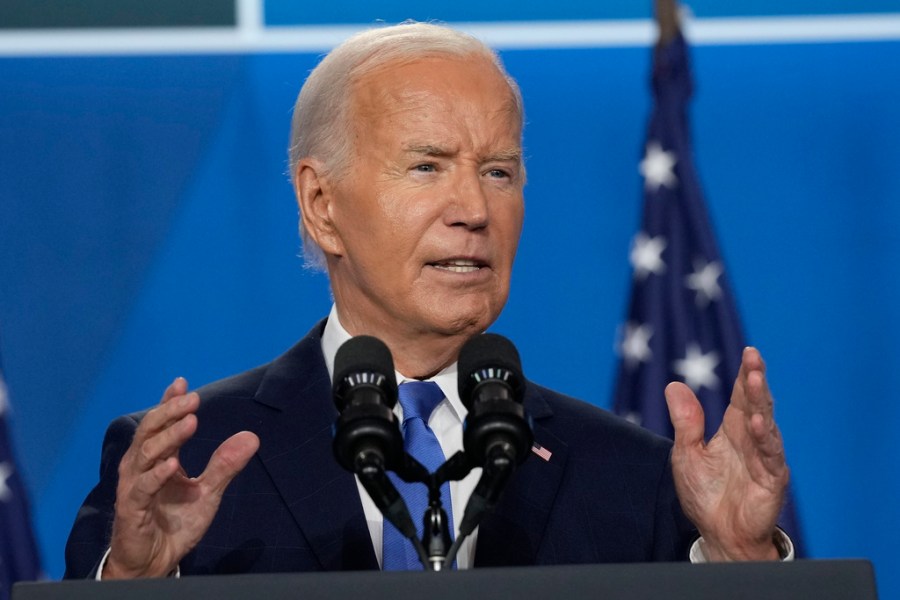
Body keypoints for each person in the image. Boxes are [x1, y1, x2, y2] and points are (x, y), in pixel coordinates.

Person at [64, 22, 790, 579]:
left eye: (499, 171)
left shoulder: (633, 477)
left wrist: (740, 560)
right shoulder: (188, 469)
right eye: (426, 166)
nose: (473, 207)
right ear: (321, 204)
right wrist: (133, 582)